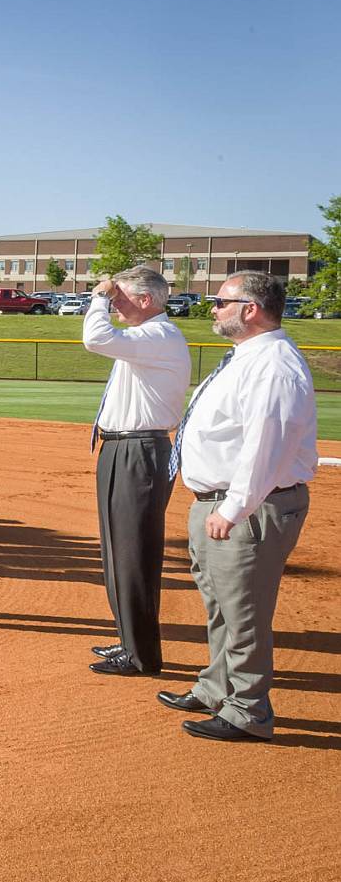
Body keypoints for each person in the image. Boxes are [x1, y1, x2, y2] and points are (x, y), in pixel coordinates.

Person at [160, 271, 317, 742]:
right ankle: (217, 687)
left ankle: (249, 710)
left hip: (250, 506)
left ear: (250, 309)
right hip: (217, 500)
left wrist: (232, 509)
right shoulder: (247, 357)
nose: (212, 308)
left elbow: (265, 448)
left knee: (244, 613)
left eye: (221, 301)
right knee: (219, 605)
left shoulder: (274, 365)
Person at [81, 267, 190, 676]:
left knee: (134, 552)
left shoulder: (159, 335)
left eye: (120, 296)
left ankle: (142, 654)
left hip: (140, 449)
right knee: (117, 549)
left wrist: (96, 295)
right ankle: (129, 639)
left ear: (146, 300)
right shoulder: (144, 339)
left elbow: (95, 338)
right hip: (123, 447)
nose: (114, 303)